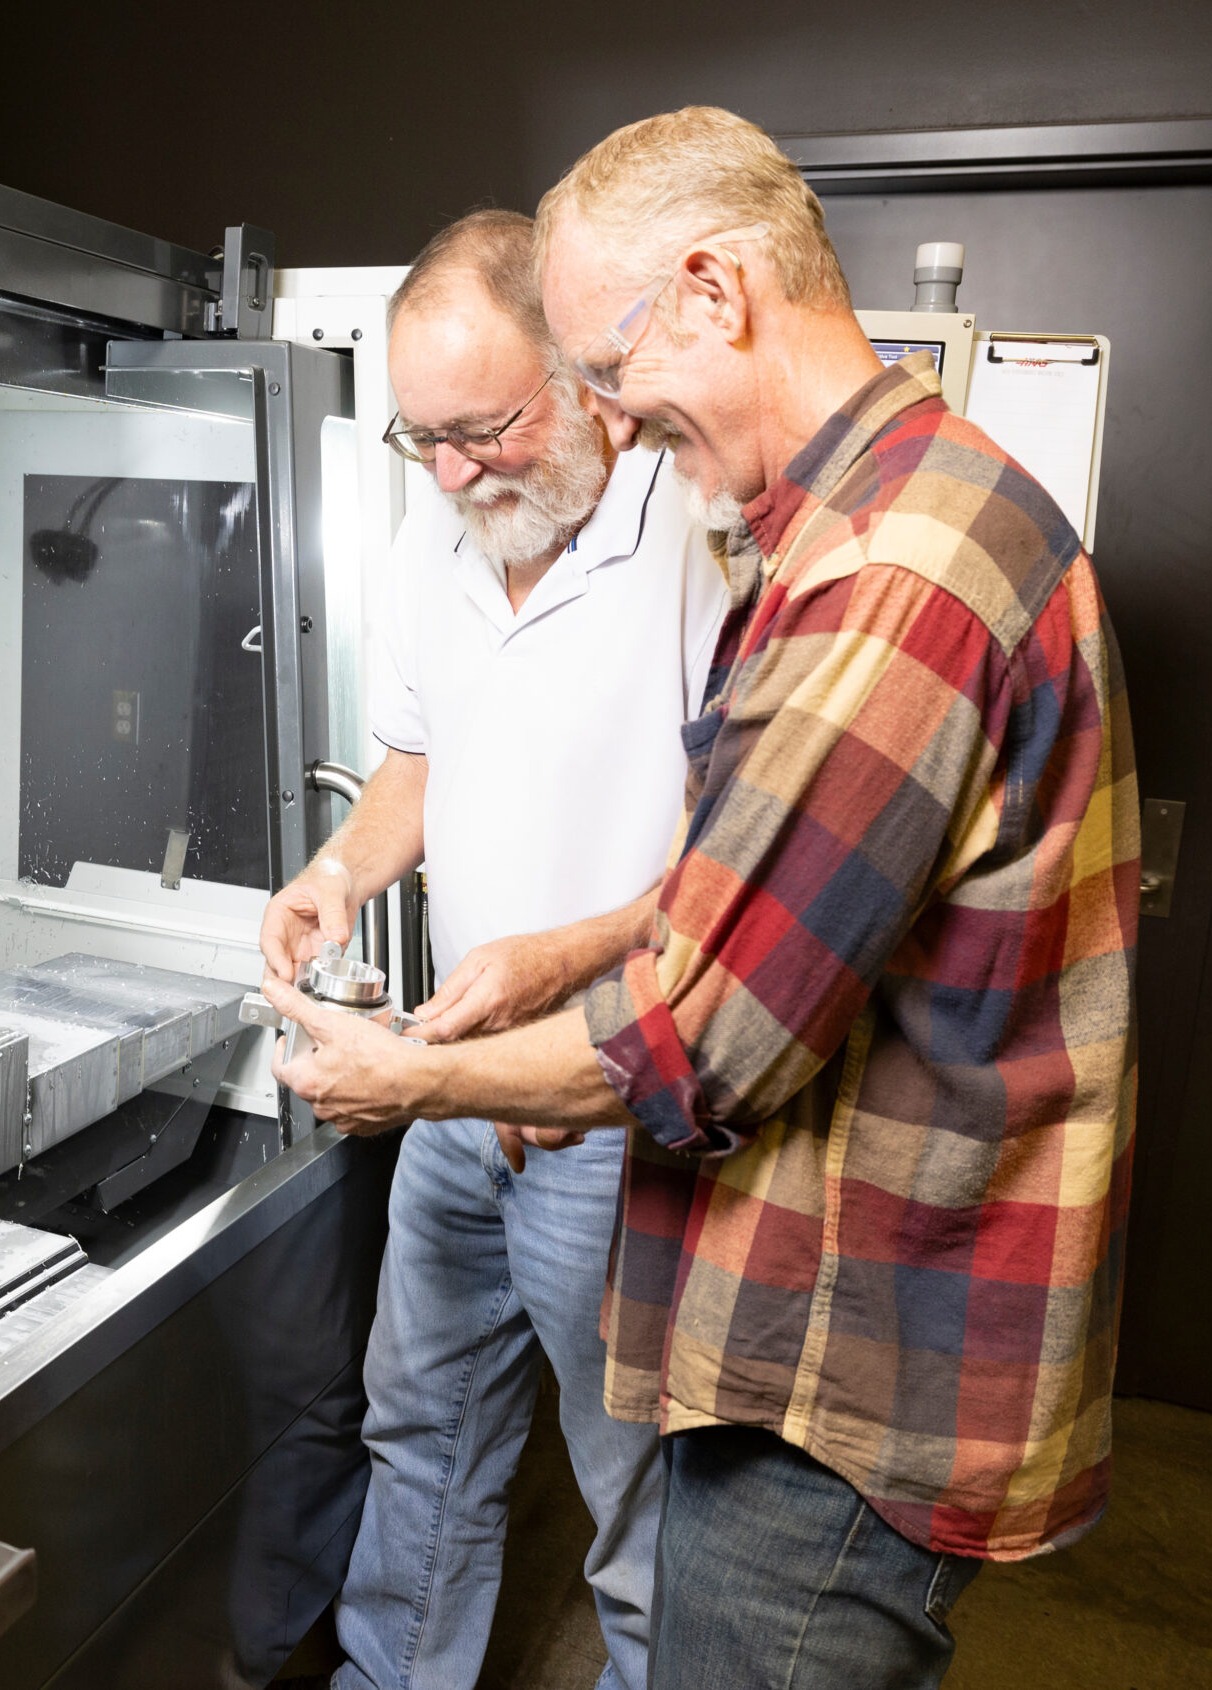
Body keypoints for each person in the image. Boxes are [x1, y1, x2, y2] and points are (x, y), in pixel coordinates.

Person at [263, 109, 1140, 1690]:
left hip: (828, 1316)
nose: (615, 417)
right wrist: (408, 923)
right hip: (631, 1149)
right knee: (429, 1426)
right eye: (429, 438)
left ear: (718, 292)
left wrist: (429, 1067)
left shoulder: (881, 572)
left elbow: (697, 1033)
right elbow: (756, 890)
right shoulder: (854, 528)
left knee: (669, 1553)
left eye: (603, 379)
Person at [259, 210, 726, 1690]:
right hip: (453, 1099)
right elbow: (416, 764)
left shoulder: (702, 543)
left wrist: (555, 968)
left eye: (485, 429)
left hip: (616, 1113)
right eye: (423, 441)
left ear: (585, 375)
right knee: (423, 1433)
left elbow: (746, 876)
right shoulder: (435, 534)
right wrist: (335, 873)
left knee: (642, 1504)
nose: (456, 473)